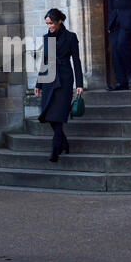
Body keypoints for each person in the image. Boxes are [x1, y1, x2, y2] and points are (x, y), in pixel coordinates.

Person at [34, 9, 83, 163]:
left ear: (59, 21)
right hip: (48, 80)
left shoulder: (71, 37)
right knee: (49, 115)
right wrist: (38, 84)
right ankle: (64, 143)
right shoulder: (47, 37)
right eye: (47, 24)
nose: (49, 26)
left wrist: (79, 84)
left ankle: (55, 150)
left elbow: (76, 61)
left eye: (51, 23)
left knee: (59, 115)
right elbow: (45, 61)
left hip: (65, 80)